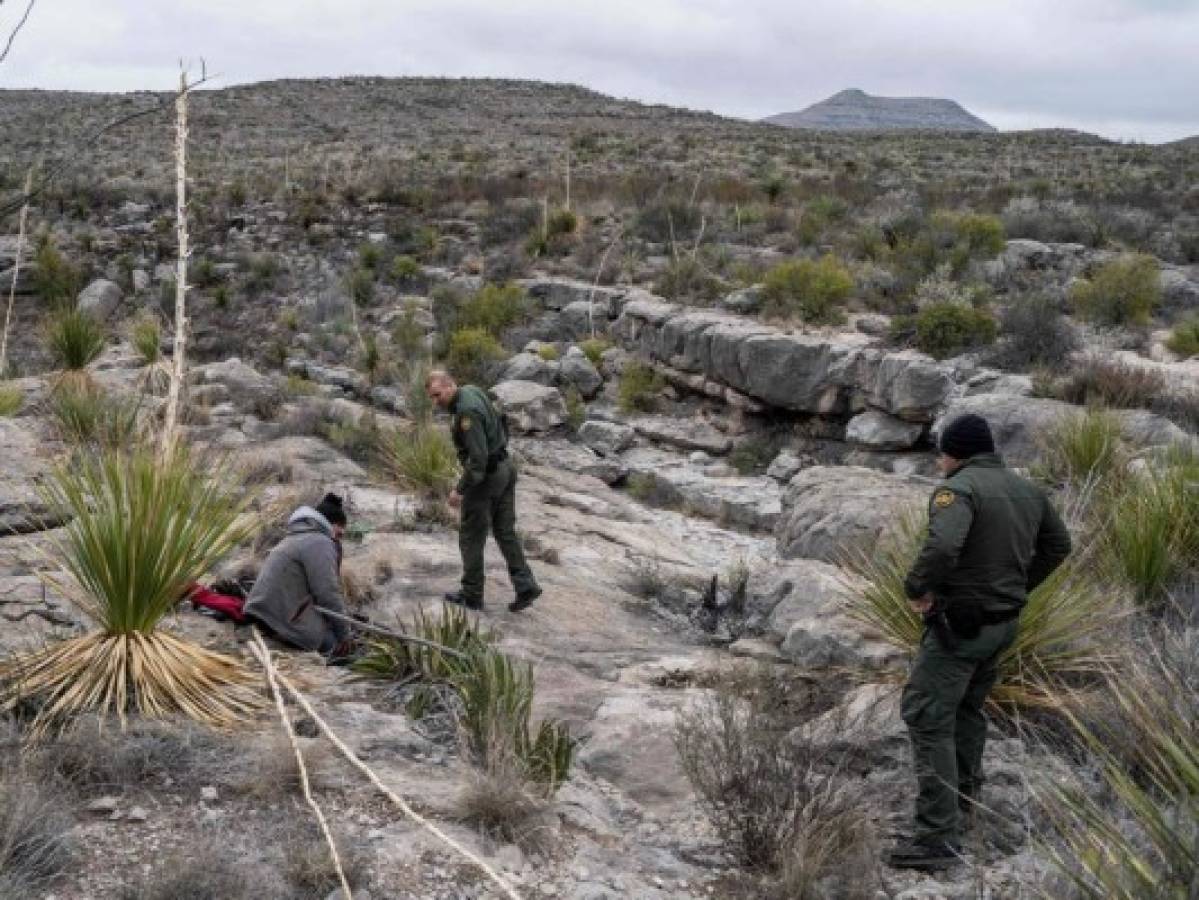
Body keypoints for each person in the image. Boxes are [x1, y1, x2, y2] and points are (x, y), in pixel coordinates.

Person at [888, 414, 1072, 871]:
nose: (939, 461)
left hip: (962, 626)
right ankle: (963, 806)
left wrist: (917, 589)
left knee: (927, 714)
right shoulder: (1027, 490)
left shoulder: (960, 489)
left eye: (942, 453)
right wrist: (1018, 587)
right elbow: (1059, 545)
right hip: (1003, 624)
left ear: (956, 452)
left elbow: (944, 546)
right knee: (967, 709)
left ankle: (936, 837)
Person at [425, 370, 541, 613]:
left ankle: (472, 594)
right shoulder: (472, 390)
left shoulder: (466, 413)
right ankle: (525, 585)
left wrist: (460, 490)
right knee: (505, 531)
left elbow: (477, 460)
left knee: (471, 536)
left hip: (487, 477)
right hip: (506, 468)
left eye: (437, 395)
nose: (436, 402)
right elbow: (500, 421)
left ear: (449, 386)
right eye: (432, 397)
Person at [243, 493, 356, 661]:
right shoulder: (320, 542)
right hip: (278, 620)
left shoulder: (294, 536)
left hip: (260, 611)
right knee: (340, 650)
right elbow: (327, 593)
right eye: (339, 532)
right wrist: (344, 635)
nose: (339, 539)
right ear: (330, 525)